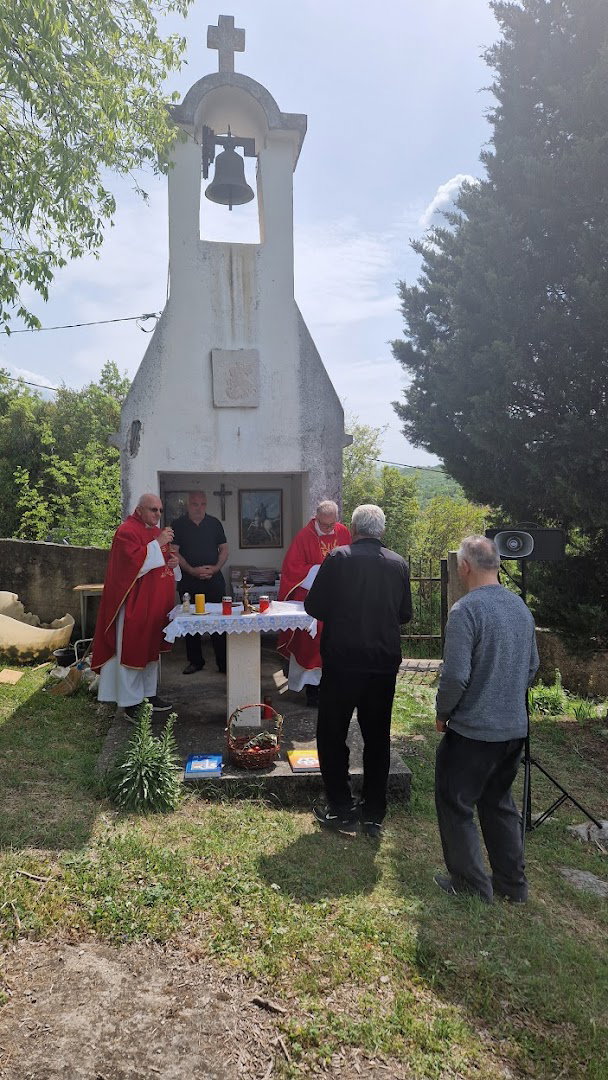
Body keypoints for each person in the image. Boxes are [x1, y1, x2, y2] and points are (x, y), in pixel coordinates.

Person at [433, 535, 539, 903]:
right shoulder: (520, 608)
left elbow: (455, 676)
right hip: (513, 729)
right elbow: (531, 668)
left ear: (464, 567)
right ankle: (512, 886)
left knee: (456, 802)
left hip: (474, 731)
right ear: (496, 563)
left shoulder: (466, 611)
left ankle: (471, 885)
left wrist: (443, 713)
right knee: (498, 803)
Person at [304, 504, 412, 837]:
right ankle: (374, 812)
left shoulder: (338, 559)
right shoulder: (398, 564)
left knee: (333, 734)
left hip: (343, 661)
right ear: (381, 530)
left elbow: (314, 606)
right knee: (378, 737)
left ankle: (341, 808)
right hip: (382, 664)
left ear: (352, 528)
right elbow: (405, 614)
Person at [92, 493, 179, 719]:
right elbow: (130, 566)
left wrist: (172, 562)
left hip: (155, 604)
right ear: (139, 510)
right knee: (133, 650)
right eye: (153, 510)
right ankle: (130, 703)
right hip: (135, 604)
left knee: (151, 651)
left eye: (160, 510)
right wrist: (158, 544)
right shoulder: (126, 531)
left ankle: (149, 695)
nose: (158, 514)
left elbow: (160, 563)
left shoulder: (153, 533)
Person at [277, 499, 351, 706]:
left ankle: (333, 686)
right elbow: (292, 568)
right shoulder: (304, 536)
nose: (329, 529)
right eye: (325, 524)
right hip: (311, 599)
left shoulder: (343, 532)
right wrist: (320, 570)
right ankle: (312, 690)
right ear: (316, 518)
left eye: (332, 524)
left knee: (337, 642)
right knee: (311, 642)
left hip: (338, 600)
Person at [171, 490, 229, 674]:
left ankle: (223, 662)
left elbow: (224, 550)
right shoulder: (178, 525)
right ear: (188, 505)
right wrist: (191, 570)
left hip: (214, 580)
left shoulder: (214, 523)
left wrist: (215, 568)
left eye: (202, 504)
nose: (199, 508)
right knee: (190, 621)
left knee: (218, 621)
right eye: (195, 504)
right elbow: (174, 551)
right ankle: (195, 661)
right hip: (189, 580)